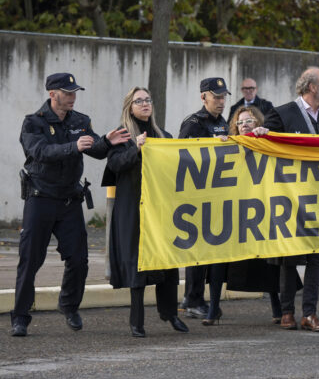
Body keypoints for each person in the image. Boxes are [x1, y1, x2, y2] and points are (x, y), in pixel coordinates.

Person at [11, 72, 130, 337]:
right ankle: (20, 316)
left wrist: (108, 142)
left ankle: (68, 305)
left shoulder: (80, 120)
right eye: (67, 92)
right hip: (40, 199)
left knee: (79, 259)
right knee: (30, 261)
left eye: (75, 92)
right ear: (52, 94)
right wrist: (73, 146)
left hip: (68, 201)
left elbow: (95, 150)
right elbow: (39, 152)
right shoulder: (34, 122)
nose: (73, 97)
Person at [103, 87, 188, 337]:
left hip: (161, 208)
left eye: (148, 100)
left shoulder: (165, 135)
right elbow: (115, 164)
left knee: (167, 259)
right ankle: (136, 321)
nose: (145, 104)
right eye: (139, 101)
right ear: (130, 106)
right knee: (137, 262)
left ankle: (170, 313)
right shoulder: (121, 136)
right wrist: (135, 149)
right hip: (132, 208)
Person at [263, 66, 319, 332]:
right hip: (290, 196)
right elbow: (264, 139)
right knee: (291, 255)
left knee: (315, 256)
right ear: (312, 87)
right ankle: (286, 312)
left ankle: (310, 313)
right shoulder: (282, 113)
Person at [203, 105, 285, 326]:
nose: (244, 125)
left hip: (260, 211)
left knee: (268, 260)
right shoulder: (228, 145)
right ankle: (213, 309)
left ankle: (278, 308)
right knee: (220, 258)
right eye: (240, 122)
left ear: (258, 124)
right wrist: (218, 148)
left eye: (249, 121)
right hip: (232, 210)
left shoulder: (266, 143)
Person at [178, 77, 231, 319]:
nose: (221, 102)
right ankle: (192, 299)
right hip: (197, 195)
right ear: (203, 97)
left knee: (212, 250)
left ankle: (205, 300)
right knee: (198, 251)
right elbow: (183, 157)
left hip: (218, 194)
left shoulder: (224, 123)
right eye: (216, 97)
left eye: (223, 97)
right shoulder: (193, 123)